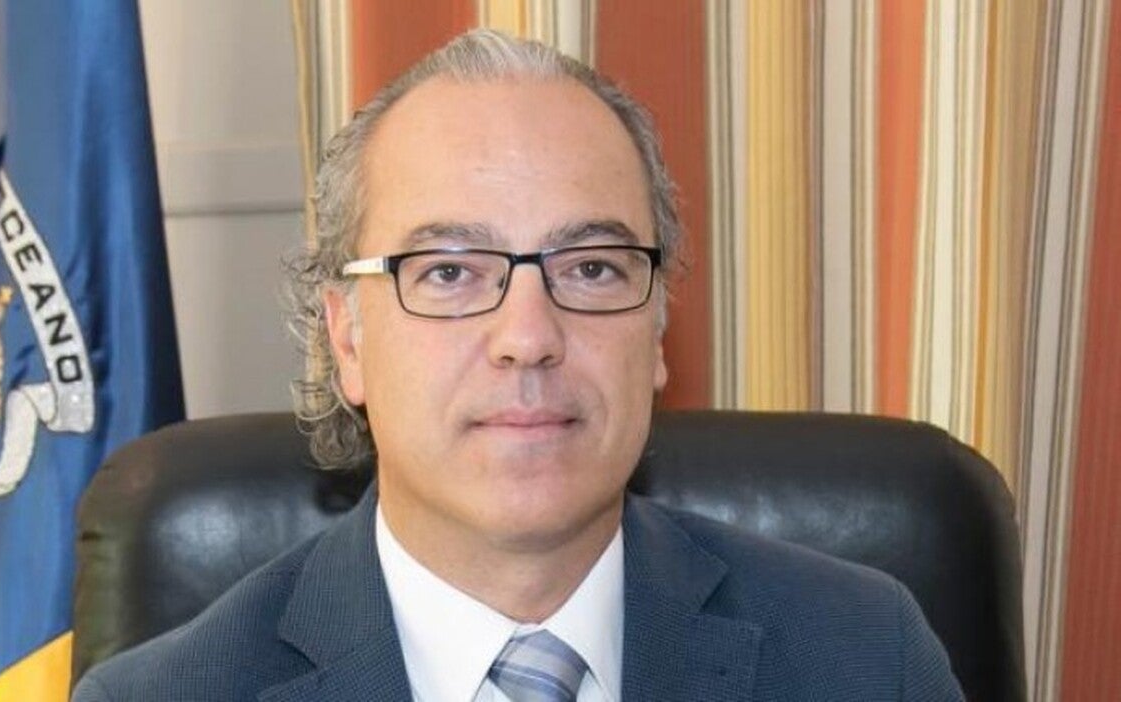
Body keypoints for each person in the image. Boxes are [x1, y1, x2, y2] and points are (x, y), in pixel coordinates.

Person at [73, 29, 963, 701]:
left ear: (657, 329)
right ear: (346, 338)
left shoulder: (865, 657)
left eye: (592, 269)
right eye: (449, 272)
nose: (528, 336)